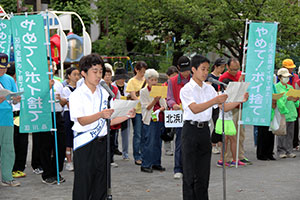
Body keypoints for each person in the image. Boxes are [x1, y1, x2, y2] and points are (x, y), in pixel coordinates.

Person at [69, 53, 135, 200]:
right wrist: (100, 114)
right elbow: (81, 120)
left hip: (103, 143)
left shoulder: (104, 94)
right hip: (85, 144)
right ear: (84, 73)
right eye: (95, 71)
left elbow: (108, 119)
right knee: (84, 184)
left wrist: (126, 116)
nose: (99, 75)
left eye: (100, 71)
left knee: (101, 184)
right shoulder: (77, 95)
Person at [180, 54, 228, 200]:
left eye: (207, 69)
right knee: (189, 173)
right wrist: (214, 100)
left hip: (204, 131)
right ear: (193, 69)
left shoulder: (209, 89)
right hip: (190, 130)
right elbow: (194, 108)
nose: (206, 72)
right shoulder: (186, 89)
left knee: (203, 173)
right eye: (203, 69)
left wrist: (240, 100)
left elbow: (221, 106)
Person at [36, 61, 68, 185]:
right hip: (44, 115)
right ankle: (47, 173)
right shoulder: (38, 83)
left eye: (52, 66)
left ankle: (57, 171)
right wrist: (47, 88)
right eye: (48, 66)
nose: (51, 68)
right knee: (45, 145)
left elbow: (62, 102)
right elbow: (35, 99)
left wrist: (62, 100)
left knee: (60, 144)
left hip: (57, 115)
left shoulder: (59, 84)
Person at [219, 57, 252, 165]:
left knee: (240, 133)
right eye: (233, 69)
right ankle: (227, 158)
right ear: (227, 67)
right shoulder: (223, 78)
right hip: (230, 109)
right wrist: (239, 81)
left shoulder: (240, 74)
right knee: (229, 135)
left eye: (237, 69)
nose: (235, 72)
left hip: (240, 107)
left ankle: (240, 155)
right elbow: (230, 93)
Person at [167, 56, 191, 179]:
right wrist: (173, 104)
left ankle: (189, 168)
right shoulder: (172, 81)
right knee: (180, 142)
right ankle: (178, 168)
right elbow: (169, 98)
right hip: (178, 114)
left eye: (188, 69)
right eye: (183, 70)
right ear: (178, 68)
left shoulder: (194, 80)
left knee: (192, 142)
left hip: (192, 114)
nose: (186, 73)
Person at [140, 69, 167, 173]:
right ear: (147, 80)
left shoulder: (159, 89)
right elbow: (146, 107)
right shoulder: (143, 91)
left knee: (158, 142)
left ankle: (156, 163)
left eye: (155, 80)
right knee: (149, 142)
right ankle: (146, 164)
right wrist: (154, 100)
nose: (154, 82)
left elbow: (164, 105)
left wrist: (160, 108)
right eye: (152, 80)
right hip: (149, 119)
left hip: (159, 117)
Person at [0, 53, 21, 186]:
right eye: (0, 68)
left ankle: (7, 177)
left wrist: (16, 99)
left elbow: (14, 98)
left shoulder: (9, 79)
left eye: (5, 67)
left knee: (8, 148)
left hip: (7, 118)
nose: (3, 70)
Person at [215, 78, 247, 167]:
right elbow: (224, 108)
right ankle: (225, 160)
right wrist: (240, 101)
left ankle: (230, 160)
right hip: (223, 120)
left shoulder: (230, 95)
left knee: (230, 140)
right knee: (228, 140)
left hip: (228, 119)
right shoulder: (221, 94)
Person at [6, 62, 29, 178]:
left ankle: (19, 167)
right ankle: (11, 168)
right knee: (12, 142)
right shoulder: (5, 82)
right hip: (10, 114)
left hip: (21, 114)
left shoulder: (22, 83)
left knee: (23, 141)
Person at [126, 61, 147, 165]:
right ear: (136, 70)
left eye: (144, 71)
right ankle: (137, 155)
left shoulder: (146, 80)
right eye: (141, 71)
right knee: (138, 134)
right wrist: (142, 101)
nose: (143, 74)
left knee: (145, 134)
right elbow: (133, 95)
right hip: (137, 110)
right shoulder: (132, 81)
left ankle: (144, 154)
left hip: (146, 110)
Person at [276, 68, 299, 159]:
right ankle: (281, 151)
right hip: (283, 113)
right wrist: (287, 99)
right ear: (280, 77)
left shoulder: (290, 87)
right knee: (281, 133)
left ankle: (289, 150)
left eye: (288, 77)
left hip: (292, 113)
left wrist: (296, 100)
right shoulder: (277, 87)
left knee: (290, 134)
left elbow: (296, 102)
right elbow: (279, 100)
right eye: (285, 77)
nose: (287, 79)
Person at [61, 67, 80, 171]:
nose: (77, 77)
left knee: (78, 138)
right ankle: (69, 161)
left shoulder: (82, 88)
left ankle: (78, 160)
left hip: (79, 115)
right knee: (68, 138)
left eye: (78, 75)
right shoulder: (66, 89)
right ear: (69, 76)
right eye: (74, 74)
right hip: (69, 115)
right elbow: (69, 104)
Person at [206, 58, 226, 154]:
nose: (222, 69)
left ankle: (219, 143)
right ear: (215, 67)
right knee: (216, 123)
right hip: (213, 104)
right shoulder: (210, 77)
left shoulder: (222, 77)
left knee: (221, 124)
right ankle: (213, 143)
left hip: (222, 103)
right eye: (220, 67)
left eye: (223, 67)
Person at [112, 67, 130, 160]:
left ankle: (125, 153)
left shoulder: (128, 86)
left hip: (126, 111)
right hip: (116, 111)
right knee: (114, 132)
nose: (121, 80)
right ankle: (114, 148)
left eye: (123, 78)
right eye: (120, 78)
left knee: (126, 132)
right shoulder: (112, 86)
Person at [103, 66, 120, 168]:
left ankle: (111, 158)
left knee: (113, 138)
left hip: (113, 115)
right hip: (103, 115)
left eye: (109, 75)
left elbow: (118, 100)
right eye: (106, 75)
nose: (108, 77)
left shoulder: (115, 88)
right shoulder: (100, 87)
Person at [283, 59, 300, 150]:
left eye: (291, 68)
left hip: (294, 104)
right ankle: (283, 147)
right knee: (284, 128)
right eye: (289, 68)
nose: (291, 70)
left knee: (294, 126)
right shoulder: (280, 78)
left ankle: (294, 143)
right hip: (284, 105)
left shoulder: (295, 76)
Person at [163, 66, 179, 156]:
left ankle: (177, 148)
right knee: (168, 130)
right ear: (167, 76)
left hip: (177, 110)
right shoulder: (164, 86)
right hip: (167, 110)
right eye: (172, 76)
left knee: (177, 130)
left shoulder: (178, 85)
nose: (174, 78)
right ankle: (167, 148)